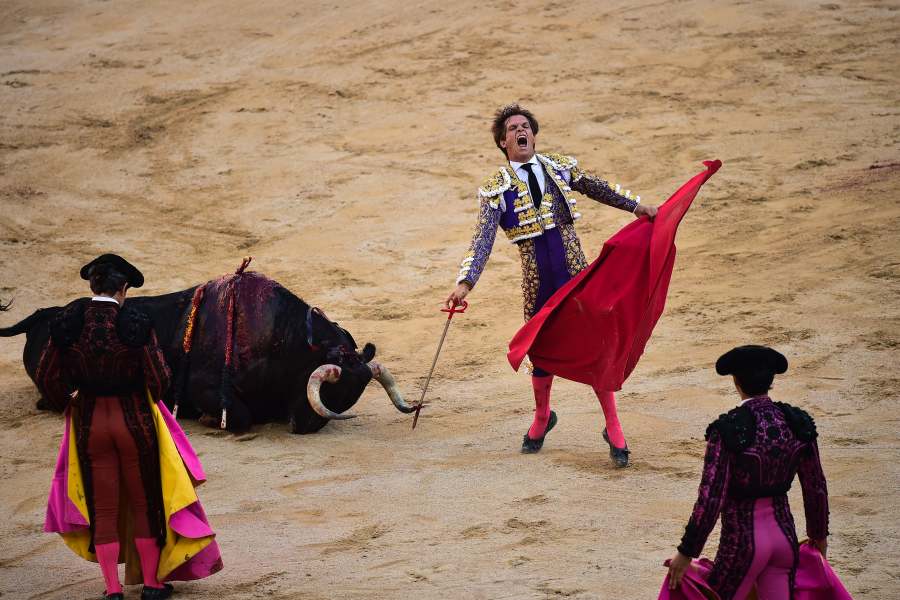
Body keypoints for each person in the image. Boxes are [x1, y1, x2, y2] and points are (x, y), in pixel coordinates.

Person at [445, 104, 657, 465]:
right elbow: (482, 240)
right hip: (537, 281)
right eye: (513, 128)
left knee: (595, 343)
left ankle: (613, 425)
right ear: (503, 141)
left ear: (533, 135)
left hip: (575, 275)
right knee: (540, 349)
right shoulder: (495, 189)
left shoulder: (558, 166)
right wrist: (465, 283)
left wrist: (637, 207)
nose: (520, 131)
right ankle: (543, 416)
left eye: (525, 126)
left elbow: (596, 187)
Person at [36, 254, 222, 600]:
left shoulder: (69, 321)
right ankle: (151, 584)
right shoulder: (134, 322)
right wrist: (145, 397)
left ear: (93, 285)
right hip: (133, 422)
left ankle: (112, 589)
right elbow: (160, 378)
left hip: (91, 423)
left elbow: (46, 375)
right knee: (144, 503)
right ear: (122, 289)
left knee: (103, 507)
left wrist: (69, 401)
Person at [666, 345, 829, 599]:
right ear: (771, 381)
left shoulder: (727, 430)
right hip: (784, 540)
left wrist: (686, 551)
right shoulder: (797, 423)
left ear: (736, 381)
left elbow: (711, 499)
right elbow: (815, 486)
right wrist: (818, 534)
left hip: (742, 546)